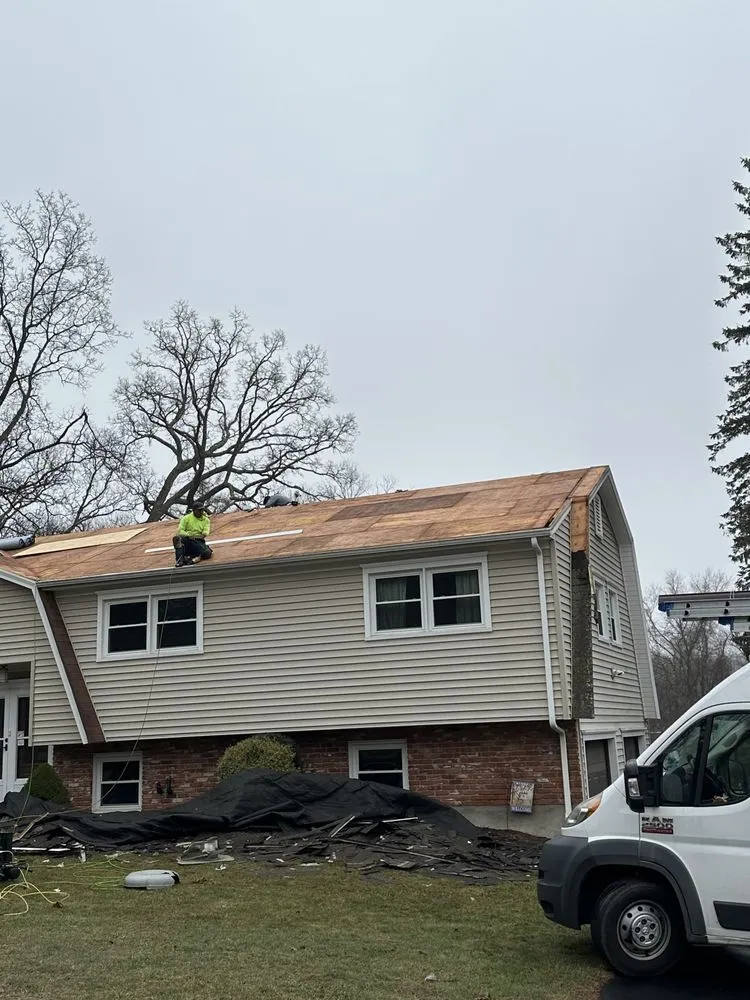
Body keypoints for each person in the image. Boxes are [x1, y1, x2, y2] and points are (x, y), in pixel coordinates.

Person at [173, 501, 213, 567]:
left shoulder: (206, 520)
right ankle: (180, 560)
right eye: (199, 510)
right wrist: (188, 535)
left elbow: (204, 534)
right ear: (194, 510)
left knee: (207, 553)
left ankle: (193, 559)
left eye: (202, 510)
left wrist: (195, 536)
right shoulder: (186, 518)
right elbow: (180, 531)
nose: (201, 512)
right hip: (186, 540)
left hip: (197, 542)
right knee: (178, 540)